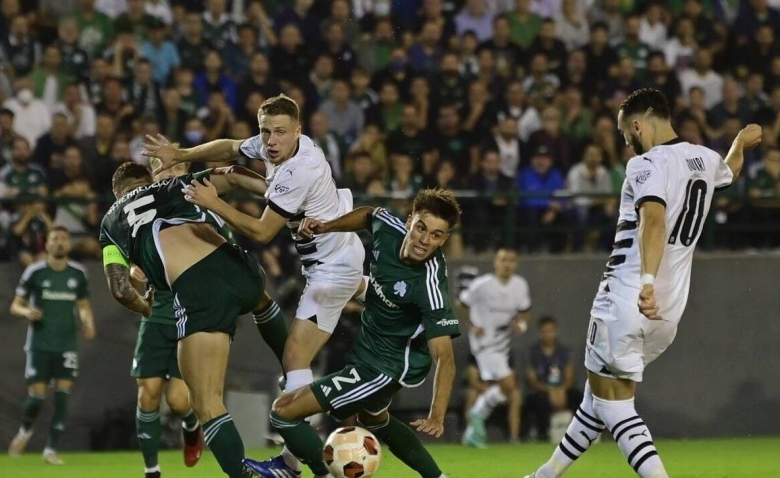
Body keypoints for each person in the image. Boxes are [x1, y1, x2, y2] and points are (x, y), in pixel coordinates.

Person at [525, 89, 762, 478]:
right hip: (668, 312)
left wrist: (646, 281)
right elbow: (730, 171)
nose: (625, 142)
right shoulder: (703, 158)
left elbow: (652, 219)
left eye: (624, 134)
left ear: (638, 125)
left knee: (615, 407)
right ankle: (544, 475)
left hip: (628, 297)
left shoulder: (645, 164)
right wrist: (739, 143)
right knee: (597, 398)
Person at [143, 94, 366, 474]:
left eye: (281, 132)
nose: (271, 141)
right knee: (317, 311)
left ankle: (296, 463)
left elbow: (262, 232)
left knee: (295, 360)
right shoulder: (272, 147)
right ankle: (375, 289)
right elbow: (230, 146)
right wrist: (181, 153)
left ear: (299, 131)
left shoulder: (301, 170)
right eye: (266, 132)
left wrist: (215, 204)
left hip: (330, 269)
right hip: (338, 253)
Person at [243, 189, 461, 478]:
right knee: (374, 419)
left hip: (386, 366)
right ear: (409, 221)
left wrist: (437, 414)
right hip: (369, 349)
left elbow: (445, 357)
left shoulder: (430, 286)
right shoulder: (390, 229)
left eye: (436, 235)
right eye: (422, 228)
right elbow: (369, 214)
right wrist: (327, 226)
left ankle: (298, 470)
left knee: (283, 411)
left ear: (444, 240)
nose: (424, 240)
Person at [99, 161, 275, 478]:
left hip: (184, 300)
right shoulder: (170, 190)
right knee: (152, 393)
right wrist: (278, 191)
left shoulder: (111, 221)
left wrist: (145, 308)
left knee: (191, 401)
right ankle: (297, 372)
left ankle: (229, 459)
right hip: (224, 280)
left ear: (116, 194)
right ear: (150, 178)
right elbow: (232, 173)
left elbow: (120, 290)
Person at [8, 226, 96, 465]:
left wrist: (88, 322)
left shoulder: (78, 273)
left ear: (68, 245)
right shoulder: (34, 272)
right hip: (39, 344)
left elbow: (84, 305)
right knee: (36, 398)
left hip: (66, 343)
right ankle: (25, 431)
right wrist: (27, 311)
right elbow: (15, 305)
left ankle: (50, 450)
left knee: (62, 396)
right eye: (55, 239)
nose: (60, 243)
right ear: (46, 244)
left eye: (64, 239)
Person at [459, 248, 531, 447]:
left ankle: (474, 425)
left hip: (503, 344)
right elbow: (462, 303)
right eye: (503, 260)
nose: (507, 263)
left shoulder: (520, 285)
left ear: (515, 264)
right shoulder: (481, 285)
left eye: (511, 260)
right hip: (484, 343)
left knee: (506, 389)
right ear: (496, 263)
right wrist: (473, 326)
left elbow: (524, 312)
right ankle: (476, 415)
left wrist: (521, 325)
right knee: (509, 385)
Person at [523, 316, 580, 442]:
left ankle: (581, 437)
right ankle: (543, 438)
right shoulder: (533, 353)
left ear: (556, 331)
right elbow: (532, 380)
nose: (548, 335)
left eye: (551, 331)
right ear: (539, 333)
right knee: (539, 401)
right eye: (544, 331)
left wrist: (561, 391)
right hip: (542, 391)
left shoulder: (564, 352)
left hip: (562, 391)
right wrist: (550, 391)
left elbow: (570, 376)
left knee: (579, 398)